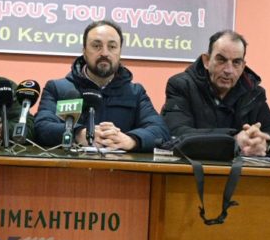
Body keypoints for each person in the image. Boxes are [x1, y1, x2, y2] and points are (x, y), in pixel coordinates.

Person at [33, 20, 168, 152]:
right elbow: (41, 127)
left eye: (112, 47)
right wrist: (78, 134)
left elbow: (160, 130)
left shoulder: (135, 93)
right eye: (96, 46)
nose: (104, 53)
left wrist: (131, 140)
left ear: (120, 52)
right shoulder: (58, 89)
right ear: (84, 51)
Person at [162, 30, 270, 156]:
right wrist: (233, 139)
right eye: (221, 60)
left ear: (243, 66)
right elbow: (175, 132)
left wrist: (265, 143)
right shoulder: (182, 86)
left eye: (236, 62)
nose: (228, 70)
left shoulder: (253, 93)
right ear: (206, 61)